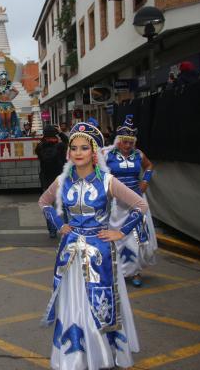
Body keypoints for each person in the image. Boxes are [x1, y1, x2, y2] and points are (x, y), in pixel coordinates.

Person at [38, 121, 147, 369]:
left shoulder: (108, 181)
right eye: (73, 148)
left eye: (84, 148)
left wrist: (121, 232)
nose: (77, 152)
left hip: (100, 255)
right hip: (69, 253)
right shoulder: (62, 180)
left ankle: (99, 355)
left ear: (94, 152)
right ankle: (74, 357)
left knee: (96, 305)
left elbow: (141, 205)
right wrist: (58, 222)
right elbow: (44, 202)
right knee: (72, 304)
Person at [103, 115, 157, 288]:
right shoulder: (107, 155)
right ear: (118, 141)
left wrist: (145, 181)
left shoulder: (138, 154)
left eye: (131, 142)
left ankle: (134, 272)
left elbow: (149, 166)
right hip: (115, 204)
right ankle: (115, 272)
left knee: (135, 237)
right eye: (125, 142)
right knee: (115, 236)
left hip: (136, 201)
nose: (128, 146)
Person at [35, 125, 68, 238]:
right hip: (60, 179)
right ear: (54, 135)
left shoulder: (40, 147)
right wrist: (61, 133)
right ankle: (68, 228)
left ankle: (52, 230)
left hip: (46, 179)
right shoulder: (60, 146)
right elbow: (68, 142)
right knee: (65, 206)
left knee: (48, 206)